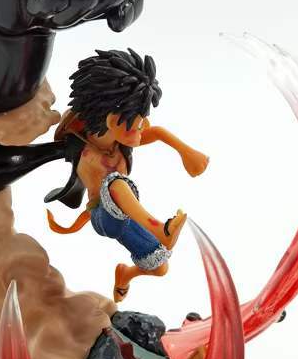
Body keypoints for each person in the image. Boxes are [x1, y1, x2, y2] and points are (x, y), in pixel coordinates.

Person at [45, 49, 209, 301]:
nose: (142, 129)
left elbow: (156, 132)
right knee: (115, 183)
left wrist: (187, 152)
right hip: (103, 216)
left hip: (126, 217)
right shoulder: (83, 150)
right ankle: (160, 229)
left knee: (160, 267)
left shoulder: (120, 139)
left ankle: (125, 275)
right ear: (112, 120)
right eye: (137, 123)